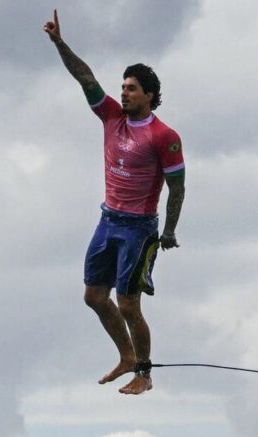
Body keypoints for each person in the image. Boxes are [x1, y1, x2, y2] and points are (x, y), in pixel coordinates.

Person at [44, 9, 186, 395]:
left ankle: (144, 372)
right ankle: (125, 355)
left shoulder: (164, 135)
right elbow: (85, 77)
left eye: (132, 89)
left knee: (127, 303)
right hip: (108, 220)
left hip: (139, 228)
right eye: (123, 87)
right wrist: (59, 43)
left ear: (150, 96)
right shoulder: (111, 117)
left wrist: (169, 230)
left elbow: (177, 186)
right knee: (93, 296)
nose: (124, 93)